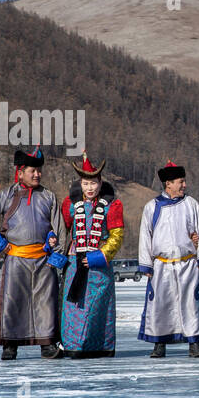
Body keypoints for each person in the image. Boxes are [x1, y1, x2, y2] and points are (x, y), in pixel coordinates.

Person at [0, 148, 66, 360]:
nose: (37, 174)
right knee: (13, 302)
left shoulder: (48, 197)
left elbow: (60, 229)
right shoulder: (7, 195)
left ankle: (47, 343)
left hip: (43, 260)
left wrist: (56, 258)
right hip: (16, 258)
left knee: (45, 303)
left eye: (39, 171)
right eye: (32, 171)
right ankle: (10, 345)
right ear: (21, 172)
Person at [137, 160, 199, 357]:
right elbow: (146, 236)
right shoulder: (151, 207)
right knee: (160, 305)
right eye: (181, 181)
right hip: (161, 266)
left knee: (191, 303)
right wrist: (146, 264)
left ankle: (194, 342)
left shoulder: (191, 204)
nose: (184, 185)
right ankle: (159, 343)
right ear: (168, 183)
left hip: (187, 263)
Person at [59, 152, 123, 358]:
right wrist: (55, 244)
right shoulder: (69, 204)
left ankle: (100, 346)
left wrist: (100, 256)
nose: (90, 188)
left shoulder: (113, 205)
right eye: (86, 183)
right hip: (75, 262)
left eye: (94, 183)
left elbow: (117, 235)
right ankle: (74, 345)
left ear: (100, 182)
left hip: (99, 265)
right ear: (81, 183)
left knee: (97, 307)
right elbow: (62, 230)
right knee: (75, 307)